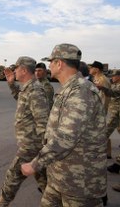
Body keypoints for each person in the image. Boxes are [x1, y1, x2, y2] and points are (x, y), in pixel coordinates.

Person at [21, 43, 107, 206]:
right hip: (60, 175)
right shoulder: (68, 89)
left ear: (59, 63)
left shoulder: (81, 92)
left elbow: (66, 137)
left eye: (51, 62)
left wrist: (35, 164)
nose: (49, 66)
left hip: (79, 182)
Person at [0, 56, 50, 207]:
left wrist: (42, 148)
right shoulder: (27, 88)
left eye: (16, 68)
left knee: (14, 173)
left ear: (24, 70)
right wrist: (12, 84)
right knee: (42, 175)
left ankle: (1, 203)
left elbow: (43, 123)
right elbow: (19, 98)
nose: (14, 71)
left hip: (32, 144)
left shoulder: (35, 90)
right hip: (31, 143)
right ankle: (54, 201)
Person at [98, 69, 120, 175]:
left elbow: (113, 93)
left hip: (117, 115)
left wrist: (102, 88)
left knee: (105, 132)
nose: (112, 78)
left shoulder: (118, 86)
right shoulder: (115, 84)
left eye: (114, 76)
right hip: (116, 115)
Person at [89, 60, 112, 159]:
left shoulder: (103, 80)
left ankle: (106, 153)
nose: (90, 69)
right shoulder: (96, 78)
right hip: (95, 109)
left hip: (99, 110)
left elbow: (105, 97)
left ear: (97, 69)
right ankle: (106, 152)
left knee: (101, 132)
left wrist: (100, 111)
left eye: (91, 67)